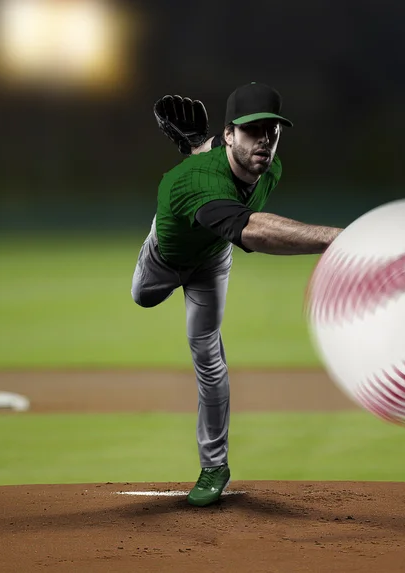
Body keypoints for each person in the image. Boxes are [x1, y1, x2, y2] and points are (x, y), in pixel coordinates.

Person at [131, 82, 342, 507]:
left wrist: (197, 144)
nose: (264, 140)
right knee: (143, 296)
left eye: (272, 130)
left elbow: (226, 174)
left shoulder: (269, 165)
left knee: (207, 356)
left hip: (211, 260)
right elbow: (251, 230)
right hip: (165, 256)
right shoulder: (189, 181)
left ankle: (214, 466)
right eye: (251, 130)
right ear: (229, 134)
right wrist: (341, 238)